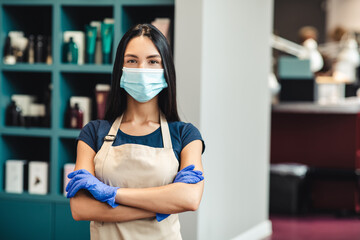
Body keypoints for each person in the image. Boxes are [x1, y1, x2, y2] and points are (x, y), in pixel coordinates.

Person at [65, 23, 205, 240]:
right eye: (132, 61)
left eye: (152, 61)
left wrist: (112, 194)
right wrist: (162, 205)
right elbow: (81, 208)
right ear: (120, 70)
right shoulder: (93, 133)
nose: (142, 69)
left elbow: (190, 199)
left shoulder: (185, 135)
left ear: (165, 69)